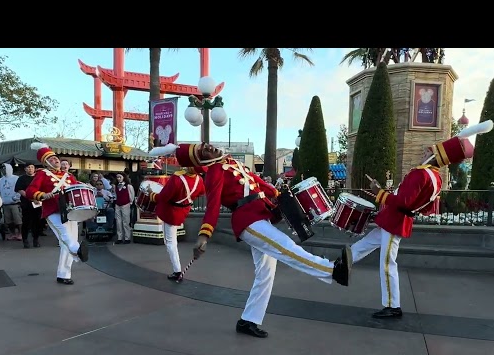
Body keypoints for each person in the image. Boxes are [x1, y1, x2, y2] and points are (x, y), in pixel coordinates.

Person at [148, 142, 351, 339]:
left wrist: (276, 192)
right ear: (202, 160)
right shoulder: (214, 173)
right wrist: (204, 235)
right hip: (248, 220)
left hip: (260, 214)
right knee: (285, 247)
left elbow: (256, 181)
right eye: (203, 151)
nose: (208, 147)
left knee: (265, 274)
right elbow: (212, 206)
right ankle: (332, 270)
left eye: (205, 145)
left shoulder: (230, 162)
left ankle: (248, 320)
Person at [355, 120, 494, 319]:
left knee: (387, 263)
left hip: (395, 221)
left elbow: (404, 202)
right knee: (363, 245)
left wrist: (379, 193)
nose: (424, 153)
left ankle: (393, 305)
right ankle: (337, 266)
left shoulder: (420, 174)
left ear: (436, 156)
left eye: (427, 152)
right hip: (395, 220)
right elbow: (423, 205)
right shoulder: (436, 178)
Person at [27, 142, 89, 285]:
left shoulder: (68, 176)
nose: (56, 160)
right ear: (46, 162)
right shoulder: (42, 174)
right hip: (53, 210)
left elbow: (75, 190)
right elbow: (30, 190)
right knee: (65, 235)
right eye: (52, 159)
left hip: (70, 210)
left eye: (56, 158)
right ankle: (78, 251)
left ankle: (64, 274)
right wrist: (43, 195)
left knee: (65, 242)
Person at [146, 165, 206, 282]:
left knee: (170, 243)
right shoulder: (199, 179)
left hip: (171, 212)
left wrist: (151, 194)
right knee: (170, 241)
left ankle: (177, 271)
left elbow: (163, 197)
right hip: (182, 211)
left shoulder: (177, 178)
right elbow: (201, 192)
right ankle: (177, 270)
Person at [15, 162, 44, 248]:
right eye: (28, 167)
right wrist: (31, 198)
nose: (30, 169)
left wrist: (38, 199)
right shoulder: (21, 178)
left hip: (38, 203)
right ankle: (25, 240)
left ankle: (36, 239)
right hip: (26, 203)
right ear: (25, 169)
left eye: (32, 167)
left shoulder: (38, 177)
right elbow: (20, 190)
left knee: (37, 222)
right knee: (26, 222)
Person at [0, 163, 23, 241]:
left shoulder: (16, 178)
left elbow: (20, 189)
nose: (3, 170)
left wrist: (16, 197)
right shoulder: (0, 180)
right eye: (2, 169)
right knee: (8, 221)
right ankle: (12, 233)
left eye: (5, 168)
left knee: (18, 220)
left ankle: (20, 233)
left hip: (15, 203)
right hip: (5, 204)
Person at [113, 172, 135, 245]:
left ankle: (127, 237)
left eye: (120, 177)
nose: (118, 178)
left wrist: (130, 203)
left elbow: (132, 195)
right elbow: (115, 195)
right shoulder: (115, 186)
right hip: (118, 204)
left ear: (123, 177)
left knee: (126, 221)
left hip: (126, 204)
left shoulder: (128, 186)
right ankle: (119, 237)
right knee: (118, 221)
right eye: (117, 177)